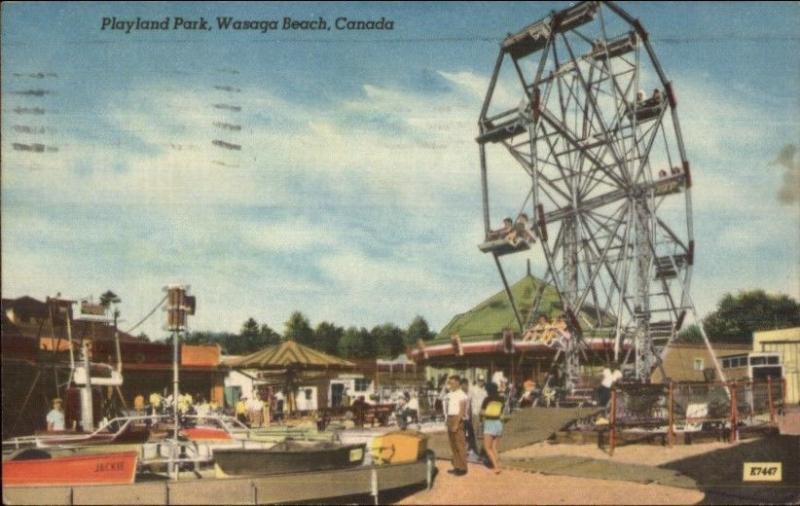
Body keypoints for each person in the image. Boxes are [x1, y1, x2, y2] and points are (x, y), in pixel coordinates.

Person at [444, 375, 469, 476]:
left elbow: (462, 411)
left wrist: (456, 424)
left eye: (453, 383)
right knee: (453, 445)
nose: (451, 385)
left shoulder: (462, 395)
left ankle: (463, 468)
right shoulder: (450, 394)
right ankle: (457, 466)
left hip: (457, 419)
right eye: (450, 383)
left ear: (458, 383)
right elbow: (443, 398)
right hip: (450, 418)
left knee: (459, 444)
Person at [481, 382, 506, 474]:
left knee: (487, 447)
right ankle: (499, 464)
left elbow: (482, 412)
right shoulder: (501, 399)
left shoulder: (487, 399)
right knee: (494, 447)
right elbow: (501, 413)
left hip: (490, 423)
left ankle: (496, 467)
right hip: (499, 423)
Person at [460, 378, 479, 456]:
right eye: (463, 386)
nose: (465, 387)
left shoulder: (469, 394)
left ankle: (471, 450)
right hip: (461, 418)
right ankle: (463, 451)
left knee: (470, 435)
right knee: (462, 435)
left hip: (467, 418)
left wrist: (470, 417)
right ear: (461, 386)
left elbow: (470, 407)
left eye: (466, 385)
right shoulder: (460, 395)